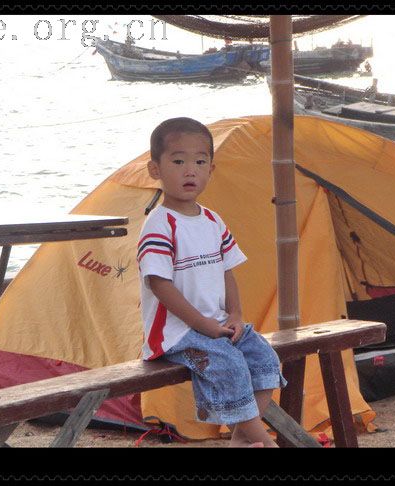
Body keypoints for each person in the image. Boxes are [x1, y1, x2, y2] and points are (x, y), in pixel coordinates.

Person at [137, 117, 286, 448]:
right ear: (155, 169)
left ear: (211, 169)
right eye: (178, 161)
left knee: (264, 358)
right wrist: (202, 324)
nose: (190, 171)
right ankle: (265, 442)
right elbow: (160, 285)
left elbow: (227, 270)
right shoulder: (160, 225)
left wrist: (235, 315)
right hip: (176, 334)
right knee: (229, 363)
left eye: (200, 162)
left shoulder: (212, 220)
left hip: (216, 326)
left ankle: (241, 440)